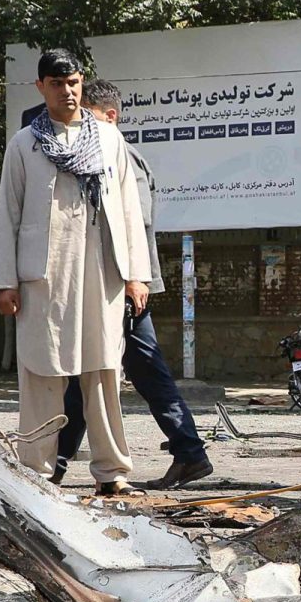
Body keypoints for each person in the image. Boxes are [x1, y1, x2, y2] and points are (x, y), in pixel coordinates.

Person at [0, 50, 152, 494]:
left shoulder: (107, 139)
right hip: (43, 276)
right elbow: (8, 214)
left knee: (103, 371)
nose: (68, 92)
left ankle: (112, 473)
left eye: (75, 83)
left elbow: (128, 208)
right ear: (41, 87)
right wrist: (5, 281)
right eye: (58, 84)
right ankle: (35, 476)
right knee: (42, 373)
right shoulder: (24, 143)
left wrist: (137, 274)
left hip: (102, 271)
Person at [54, 78, 215, 491]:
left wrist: (133, 279)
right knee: (86, 370)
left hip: (123, 288)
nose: (78, 123)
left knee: (130, 372)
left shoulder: (123, 156)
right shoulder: (93, 155)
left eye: (86, 114)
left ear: (110, 117)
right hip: (103, 286)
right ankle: (187, 452)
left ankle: (189, 451)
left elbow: (136, 225)